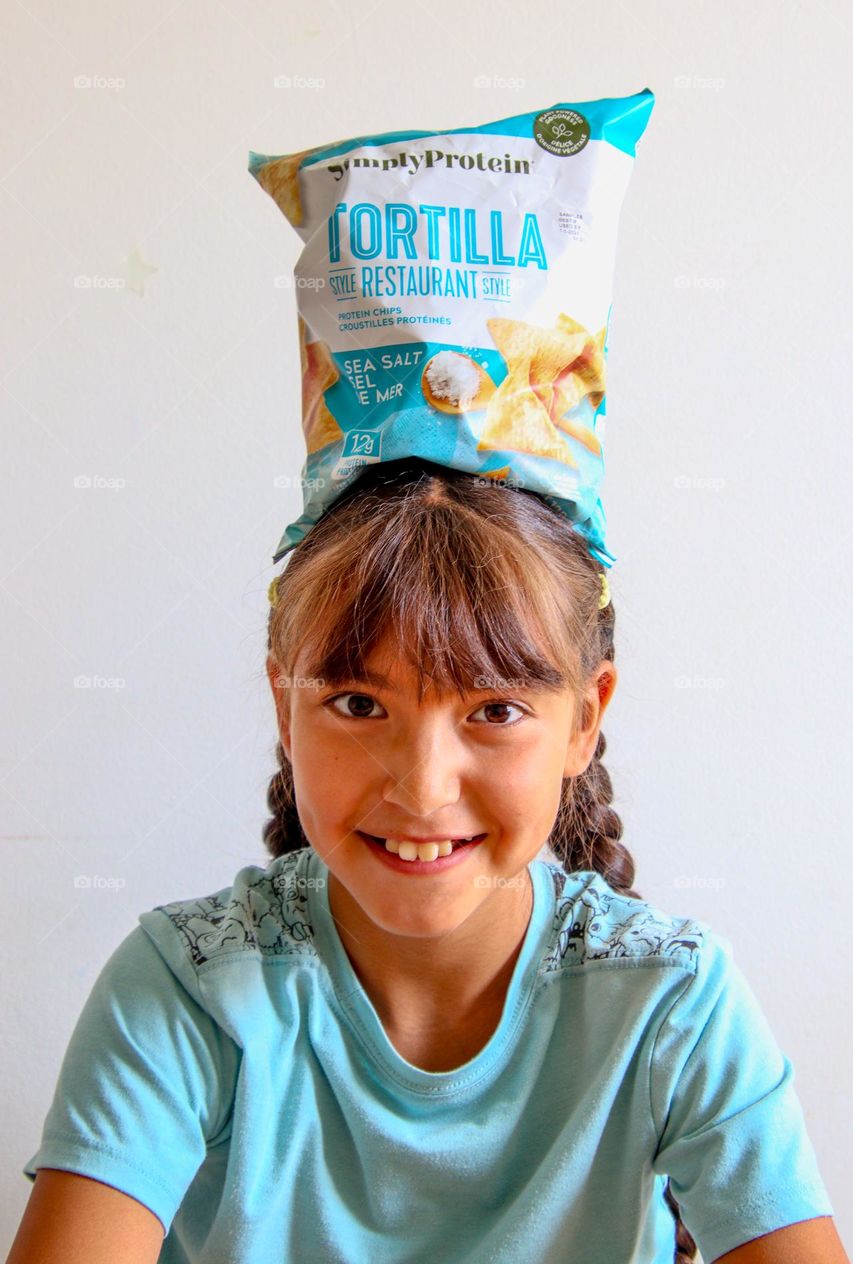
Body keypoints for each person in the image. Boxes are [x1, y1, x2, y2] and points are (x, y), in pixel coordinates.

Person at [8, 459, 848, 1264]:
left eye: (495, 708)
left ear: (584, 720)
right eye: (357, 703)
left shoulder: (673, 1004)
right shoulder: (188, 990)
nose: (419, 786)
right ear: (283, 707)